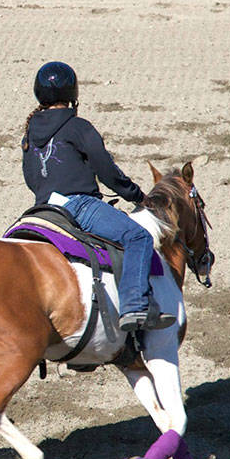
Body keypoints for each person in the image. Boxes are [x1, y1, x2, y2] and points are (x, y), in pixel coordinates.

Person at [21, 61, 175, 333]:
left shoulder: (30, 132)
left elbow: (31, 178)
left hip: (42, 209)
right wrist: (135, 195)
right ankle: (134, 307)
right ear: (73, 94)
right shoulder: (78, 126)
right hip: (79, 206)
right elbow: (106, 169)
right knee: (137, 236)